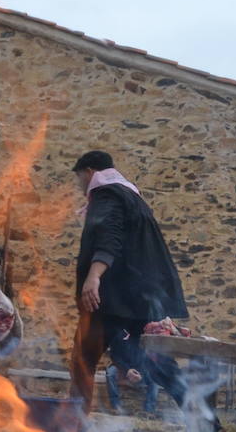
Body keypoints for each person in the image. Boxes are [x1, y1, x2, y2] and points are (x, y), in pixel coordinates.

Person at [68, 150, 188, 414]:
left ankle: (72, 427)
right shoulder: (133, 198)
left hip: (111, 300)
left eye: (79, 178)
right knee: (158, 364)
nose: (80, 185)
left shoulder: (106, 193)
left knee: (82, 362)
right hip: (140, 299)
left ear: (89, 172)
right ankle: (207, 423)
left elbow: (109, 236)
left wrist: (94, 275)